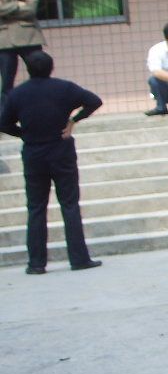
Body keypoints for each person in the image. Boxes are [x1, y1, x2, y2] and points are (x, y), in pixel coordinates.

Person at [0, 50, 102, 275]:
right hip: (61, 150)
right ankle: (79, 259)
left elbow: (3, 123)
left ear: (27, 69)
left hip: (33, 153)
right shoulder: (65, 88)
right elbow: (94, 101)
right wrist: (73, 120)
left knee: (36, 208)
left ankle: (36, 263)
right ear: (51, 67)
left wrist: (23, 134)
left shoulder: (18, 94)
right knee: (69, 205)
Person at [0, 0, 46, 113]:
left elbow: (31, 10)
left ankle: (42, 111)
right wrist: (18, 4)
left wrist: (5, 8)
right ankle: (5, 117)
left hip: (29, 37)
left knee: (39, 76)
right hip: (4, 39)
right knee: (6, 81)